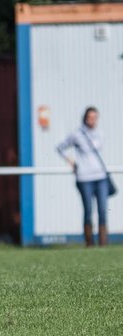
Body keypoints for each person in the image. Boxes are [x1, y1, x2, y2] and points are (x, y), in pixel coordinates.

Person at [57, 106, 113, 247]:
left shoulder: (100, 133)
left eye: (95, 118)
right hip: (84, 178)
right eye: (90, 117)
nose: (92, 120)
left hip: (101, 177)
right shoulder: (77, 134)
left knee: (102, 211)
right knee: (88, 210)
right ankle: (89, 243)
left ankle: (103, 244)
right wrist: (71, 162)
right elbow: (60, 147)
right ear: (85, 118)